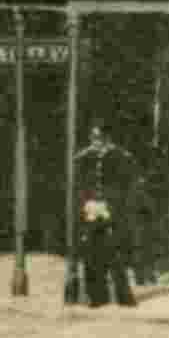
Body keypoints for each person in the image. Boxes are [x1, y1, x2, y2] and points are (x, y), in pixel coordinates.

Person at [73, 128, 138, 308]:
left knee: (115, 252)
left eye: (99, 138)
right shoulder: (84, 158)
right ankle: (96, 296)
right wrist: (86, 204)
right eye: (93, 138)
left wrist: (114, 207)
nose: (96, 142)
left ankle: (123, 296)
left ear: (107, 139)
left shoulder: (120, 157)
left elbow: (126, 187)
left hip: (112, 210)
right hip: (92, 209)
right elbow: (81, 185)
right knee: (91, 252)